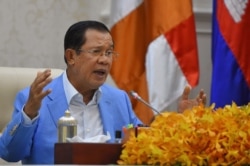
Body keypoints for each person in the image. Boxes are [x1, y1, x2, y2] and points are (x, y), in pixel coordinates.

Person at [0, 20, 206, 164]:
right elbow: (10, 154)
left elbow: (145, 144)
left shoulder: (118, 99)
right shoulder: (36, 99)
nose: (105, 60)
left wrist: (183, 123)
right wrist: (29, 113)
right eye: (96, 51)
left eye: (109, 53)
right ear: (71, 56)